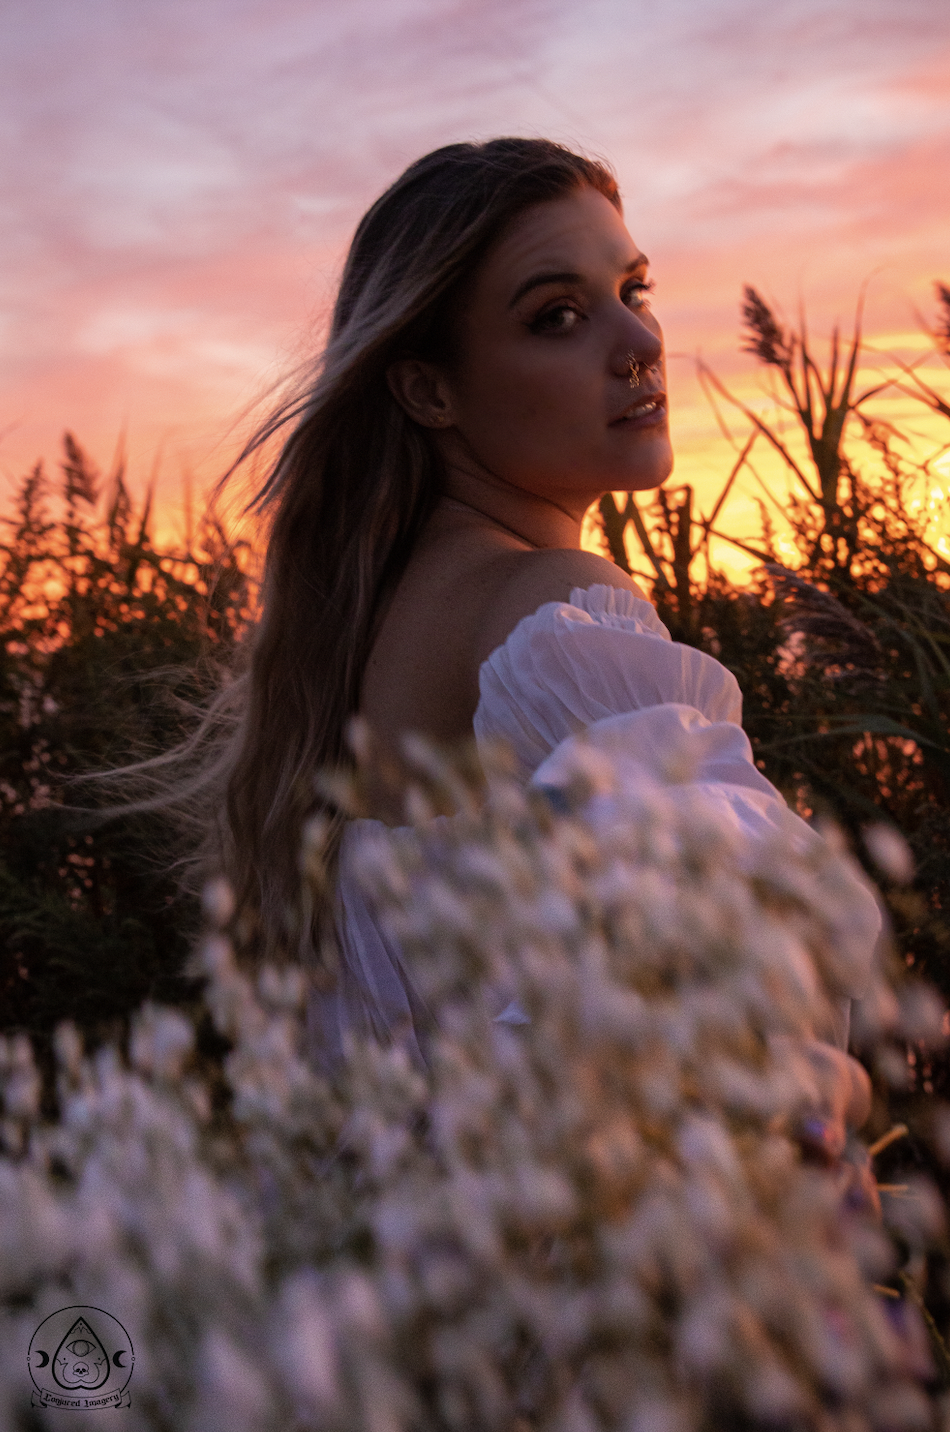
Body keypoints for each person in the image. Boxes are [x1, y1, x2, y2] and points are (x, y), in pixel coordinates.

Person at [200, 138, 873, 1158]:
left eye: (631, 289)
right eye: (555, 316)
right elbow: (732, 1026)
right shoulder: (551, 611)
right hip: (567, 1299)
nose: (638, 341)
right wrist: (829, 1088)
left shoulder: (372, 631)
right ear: (430, 392)